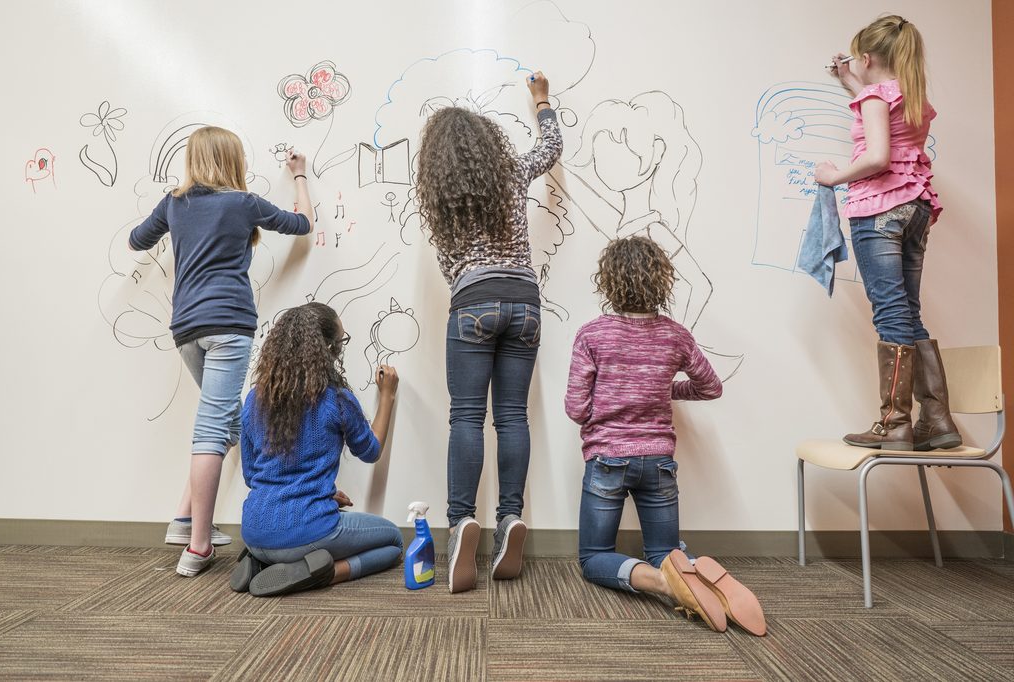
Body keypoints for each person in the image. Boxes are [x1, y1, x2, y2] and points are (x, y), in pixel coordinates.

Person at [128, 127, 314, 576]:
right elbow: (303, 224)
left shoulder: (174, 203)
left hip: (186, 329)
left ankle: (183, 519)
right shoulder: (241, 203)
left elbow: (136, 239)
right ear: (233, 161)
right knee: (214, 429)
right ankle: (198, 547)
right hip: (229, 325)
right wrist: (301, 177)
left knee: (228, 421)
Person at [566, 236, 765, 636]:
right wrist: (661, 389)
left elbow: (575, 409)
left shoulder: (593, 334)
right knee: (663, 551)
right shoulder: (676, 335)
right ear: (661, 281)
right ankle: (699, 577)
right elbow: (711, 387)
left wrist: (614, 401)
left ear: (609, 281)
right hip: (659, 461)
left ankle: (664, 583)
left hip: (607, 459)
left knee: (594, 556)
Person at [414, 70, 562, 593]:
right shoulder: (512, 173)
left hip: (473, 303)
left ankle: (461, 526)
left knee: (466, 418)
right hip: (525, 301)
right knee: (512, 416)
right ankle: (511, 519)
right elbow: (550, 149)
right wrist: (541, 101)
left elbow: (449, 265)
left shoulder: (443, 200)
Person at [816, 15, 960, 451]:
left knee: (891, 314)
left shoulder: (877, 96)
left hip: (879, 209)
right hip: (914, 206)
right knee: (908, 312)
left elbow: (878, 156)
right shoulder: (910, 97)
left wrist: (834, 175)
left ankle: (894, 423)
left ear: (866, 56)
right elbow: (891, 134)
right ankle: (936, 421)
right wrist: (852, 84)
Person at [232, 303, 403, 597]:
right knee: (395, 542)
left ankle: (260, 562)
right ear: (329, 348)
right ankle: (321, 573)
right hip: (306, 532)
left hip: (253, 531)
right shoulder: (337, 400)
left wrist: (319, 492)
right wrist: (386, 396)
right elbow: (371, 450)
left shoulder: (254, 399)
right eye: (342, 341)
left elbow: (252, 476)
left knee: (281, 538)